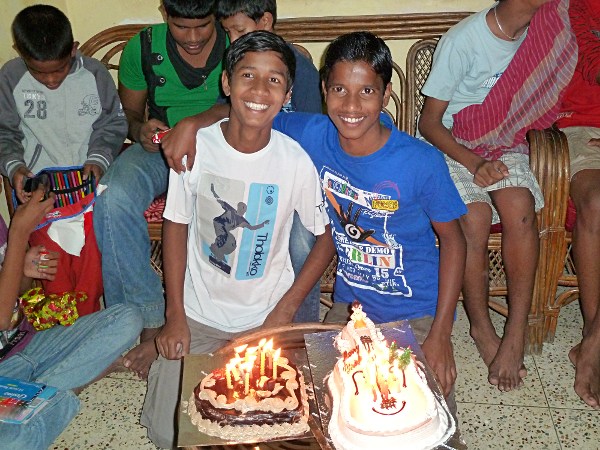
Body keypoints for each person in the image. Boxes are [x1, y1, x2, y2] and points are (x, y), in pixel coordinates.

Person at [163, 31, 468, 409]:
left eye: (367, 91)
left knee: (417, 412)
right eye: (339, 90)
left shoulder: (421, 162)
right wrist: (192, 123)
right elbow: (251, 107)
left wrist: (442, 333)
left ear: (386, 94)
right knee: (328, 411)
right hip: (350, 310)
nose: (351, 105)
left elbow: (455, 241)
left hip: (416, 313)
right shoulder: (311, 133)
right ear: (324, 90)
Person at [140, 30, 333, 448]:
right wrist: (175, 315)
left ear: (287, 94)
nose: (260, 90)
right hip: (199, 315)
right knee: (169, 433)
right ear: (227, 83)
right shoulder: (196, 147)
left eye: (274, 80)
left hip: (266, 319)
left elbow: (326, 237)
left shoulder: (294, 161)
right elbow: (176, 223)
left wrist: (285, 310)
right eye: (248, 75)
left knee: (274, 425)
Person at [418, 0, 576, 392]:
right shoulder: (463, 41)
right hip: (454, 145)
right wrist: (474, 162)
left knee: (521, 208)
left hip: (505, 141)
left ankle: (516, 329)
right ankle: (481, 326)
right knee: (473, 216)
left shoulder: (545, 30)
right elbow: (429, 123)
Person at [163, 0, 324, 322]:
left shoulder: (299, 72)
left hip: (294, 173)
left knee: (303, 238)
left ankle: (299, 326)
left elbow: (314, 130)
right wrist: (192, 123)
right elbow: (229, 109)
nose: (232, 39)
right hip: (245, 162)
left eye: (238, 30)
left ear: (264, 21)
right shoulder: (239, 66)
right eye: (228, 32)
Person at [93, 0, 228, 379]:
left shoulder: (235, 42)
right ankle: (146, 317)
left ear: (217, 18)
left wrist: (194, 124)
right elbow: (129, 115)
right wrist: (141, 130)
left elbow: (250, 104)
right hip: (159, 152)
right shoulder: (143, 48)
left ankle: (211, 317)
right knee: (113, 195)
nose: (193, 38)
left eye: (203, 26)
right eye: (182, 27)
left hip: (222, 151)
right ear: (165, 14)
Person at [0, 4, 127, 317]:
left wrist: (98, 158)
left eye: (59, 70)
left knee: (91, 268)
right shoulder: (11, 77)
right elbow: (4, 133)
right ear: (20, 54)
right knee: (51, 267)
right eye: (39, 72)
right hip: (41, 193)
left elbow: (113, 123)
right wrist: (15, 168)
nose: (51, 80)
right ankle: (63, 328)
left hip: (89, 189)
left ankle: (87, 323)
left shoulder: (95, 74)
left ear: (73, 49)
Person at [0, 185, 143, 450]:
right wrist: (19, 232)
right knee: (16, 441)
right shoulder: (15, 228)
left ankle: (40, 393)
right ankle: (68, 386)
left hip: (29, 343)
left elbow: (16, 293)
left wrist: (25, 270)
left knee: (128, 318)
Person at [556, 0, 600, 409]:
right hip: (581, 126)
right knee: (597, 202)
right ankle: (593, 335)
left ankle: (592, 345)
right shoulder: (566, 7)